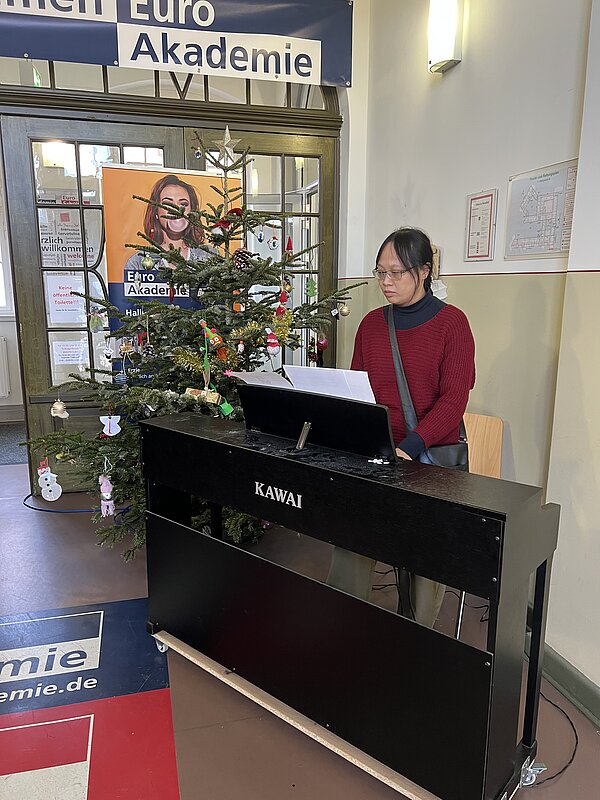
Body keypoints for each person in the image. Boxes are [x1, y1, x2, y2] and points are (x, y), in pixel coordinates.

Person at [326, 227, 475, 628]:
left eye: (397, 273)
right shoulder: (373, 324)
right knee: (352, 545)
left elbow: (454, 400)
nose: (385, 282)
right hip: (377, 454)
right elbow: (358, 388)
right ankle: (341, 630)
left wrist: (409, 446)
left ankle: (412, 640)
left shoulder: (452, 324)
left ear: (424, 271)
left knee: (423, 566)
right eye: (380, 273)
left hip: (427, 457)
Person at [124, 174, 210, 271]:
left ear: (192, 212)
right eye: (167, 204)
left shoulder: (210, 257)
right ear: (156, 211)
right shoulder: (138, 262)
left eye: (183, 204)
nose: (176, 209)